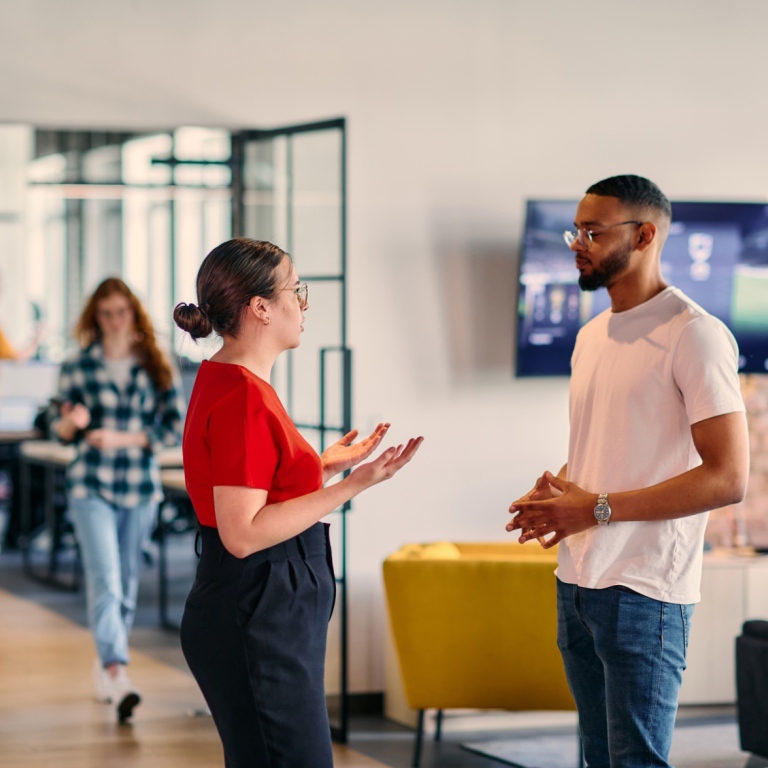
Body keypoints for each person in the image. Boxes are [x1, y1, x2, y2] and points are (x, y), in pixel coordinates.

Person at [506, 175, 749, 768]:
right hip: (578, 582)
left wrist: (591, 508)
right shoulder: (590, 335)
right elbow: (608, 444)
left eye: (593, 231)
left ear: (645, 235)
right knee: (596, 758)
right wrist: (563, 489)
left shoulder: (695, 336)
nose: (577, 243)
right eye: (575, 230)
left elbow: (728, 477)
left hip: (647, 593)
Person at [173, 237, 423, 768]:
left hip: (257, 607)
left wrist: (321, 466)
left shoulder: (230, 379)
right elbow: (242, 533)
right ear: (260, 307)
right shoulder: (242, 393)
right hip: (255, 609)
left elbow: (256, 485)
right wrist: (351, 486)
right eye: (295, 290)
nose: (303, 304)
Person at [52, 277, 183, 722]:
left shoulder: (155, 364)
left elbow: (173, 428)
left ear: (134, 313)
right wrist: (73, 424)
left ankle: (107, 660)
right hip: (90, 484)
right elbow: (58, 427)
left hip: (139, 486)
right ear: (95, 317)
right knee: (105, 577)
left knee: (126, 582)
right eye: (105, 313)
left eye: (121, 311)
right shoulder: (78, 365)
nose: (113, 321)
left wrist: (123, 438)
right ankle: (118, 669)